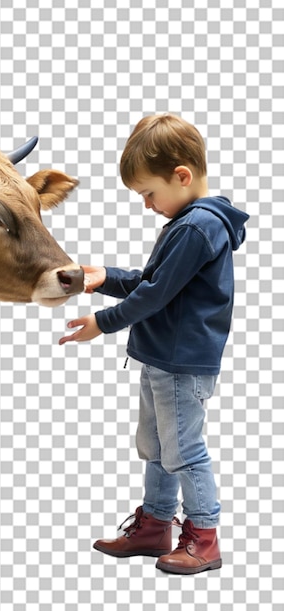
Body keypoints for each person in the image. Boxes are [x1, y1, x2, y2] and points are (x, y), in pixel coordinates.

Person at [60, 114, 248, 574]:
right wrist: (105, 278)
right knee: (156, 445)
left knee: (182, 449)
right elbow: (153, 282)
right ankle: (155, 525)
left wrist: (102, 323)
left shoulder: (196, 226)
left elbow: (155, 294)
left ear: (181, 176)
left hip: (182, 364)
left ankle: (203, 537)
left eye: (149, 193)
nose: (147, 205)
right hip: (161, 358)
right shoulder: (189, 222)